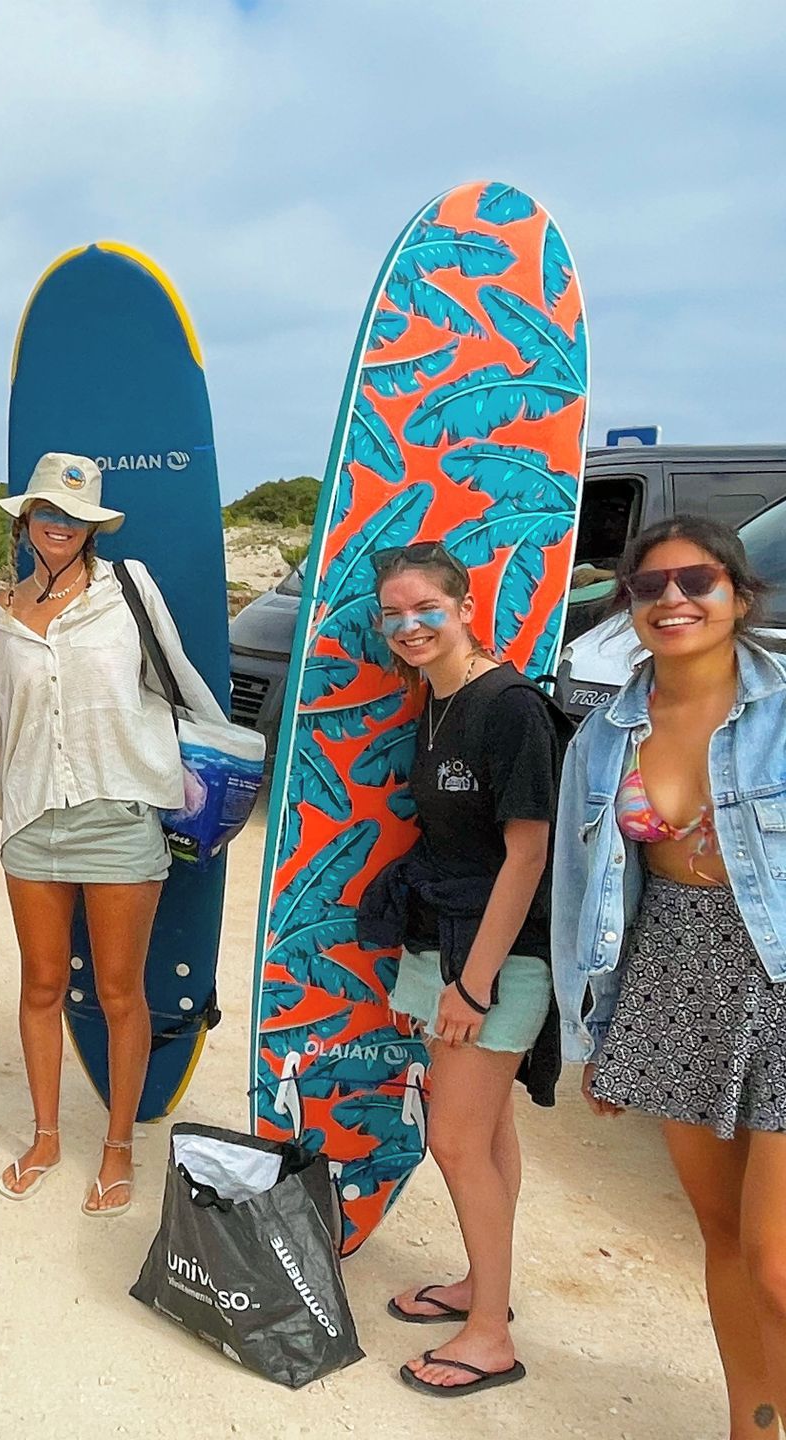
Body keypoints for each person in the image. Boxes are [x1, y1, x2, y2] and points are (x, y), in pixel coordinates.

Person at [554, 516, 786, 1439]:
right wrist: (596, 1037)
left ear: (738, 594)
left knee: (775, 1257)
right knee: (723, 1237)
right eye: (649, 587)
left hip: (777, 975)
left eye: (697, 581)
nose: (674, 600)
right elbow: (582, 897)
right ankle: (752, 1425)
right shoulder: (604, 739)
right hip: (670, 981)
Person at [345, 541, 561, 1399]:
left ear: (465, 606)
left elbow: (529, 853)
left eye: (425, 609)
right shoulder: (435, 700)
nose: (408, 626)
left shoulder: (507, 707)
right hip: (449, 938)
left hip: (498, 958)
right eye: (392, 614)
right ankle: (486, 1289)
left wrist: (472, 984)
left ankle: (489, 1339)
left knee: (456, 1140)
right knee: (490, 1134)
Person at [0, 453, 220, 1219]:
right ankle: (47, 1136)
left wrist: (218, 766)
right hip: (32, 818)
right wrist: (2, 794)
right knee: (41, 987)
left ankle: (118, 1146)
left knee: (121, 992)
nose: (60, 524)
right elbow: (6, 721)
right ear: (26, 522)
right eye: (47, 511)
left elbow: (178, 678)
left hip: (118, 814)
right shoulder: (2, 611)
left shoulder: (130, 590)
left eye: (76, 515)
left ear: (92, 527)